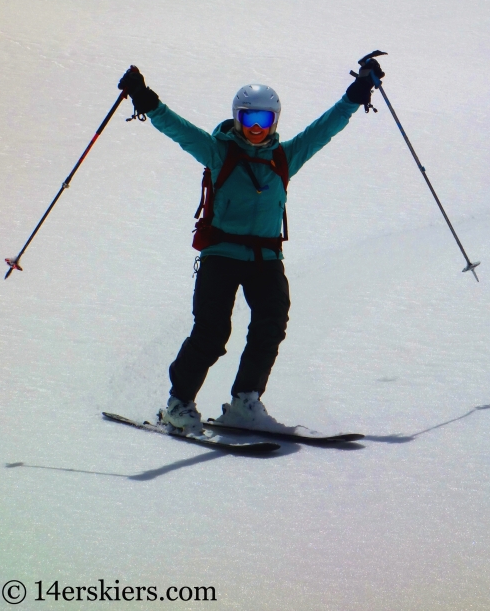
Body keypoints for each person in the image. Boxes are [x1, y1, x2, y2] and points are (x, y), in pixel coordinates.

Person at [118, 57, 384, 433]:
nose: (256, 128)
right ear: (237, 119)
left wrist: (357, 94)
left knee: (271, 323)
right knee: (211, 333)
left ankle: (245, 401)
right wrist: (144, 98)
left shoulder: (284, 157)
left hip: (266, 258)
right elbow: (178, 129)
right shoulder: (218, 152)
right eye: (248, 119)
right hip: (222, 256)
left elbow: (323, 130)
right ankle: (178, 404)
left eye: (263, 120)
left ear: (275, 121)